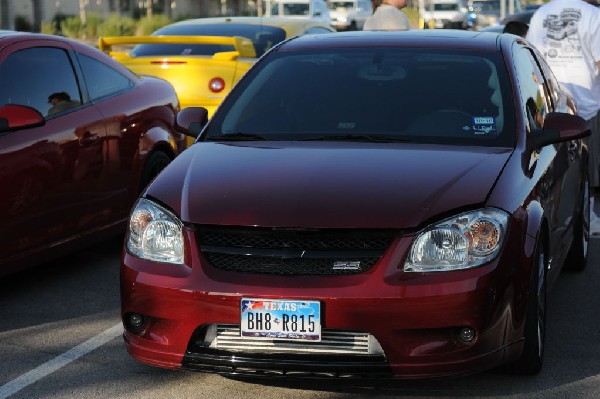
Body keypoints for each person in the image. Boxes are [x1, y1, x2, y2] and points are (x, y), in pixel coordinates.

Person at [526, 0, 600, 233]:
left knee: (554, 169)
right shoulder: (592, 15)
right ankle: (587, 217)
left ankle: (556, 220)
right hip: (585, 104)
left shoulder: (541, 13)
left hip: (550, 103)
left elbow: (531, 61)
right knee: (585, 166)